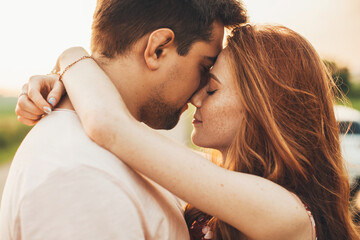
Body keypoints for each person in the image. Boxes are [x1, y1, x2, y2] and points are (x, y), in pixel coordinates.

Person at [15, 24, 360, 239]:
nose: (195, 97)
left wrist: (71, 59)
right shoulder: (212, 189)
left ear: (263, 109)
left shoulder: (288, 215)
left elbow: (111, 126)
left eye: (211, 89)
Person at [0, 0, 247, 239]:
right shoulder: (82, 179)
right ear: (157, 49)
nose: (199, 92)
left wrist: (70, 61)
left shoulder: (121, 150)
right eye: (204, 68)